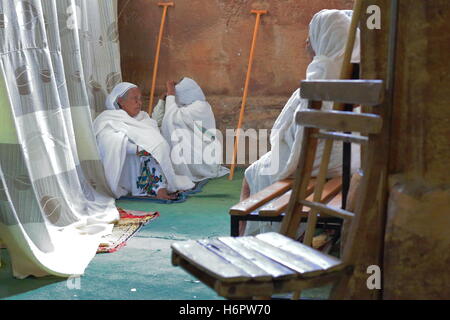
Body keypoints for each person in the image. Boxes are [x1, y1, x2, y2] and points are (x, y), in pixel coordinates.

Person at [240, 9, 361, 236]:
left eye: (312, 35)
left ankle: (249, 239)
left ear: (324, 39)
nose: (306, 42)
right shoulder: (359, 76)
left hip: (320, 165)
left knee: (252, 172)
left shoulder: (318, 79)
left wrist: (282, 156)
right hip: (352, 163)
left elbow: (295, 138)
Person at [93, 82, 195, 200]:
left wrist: (150, 148)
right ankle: (156, 190)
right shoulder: (109, 118)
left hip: (145, 159)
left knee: (154, 152)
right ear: (120, 101)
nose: (139, 103)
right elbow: (108, 141)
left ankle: (159, 188)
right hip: (124, 166)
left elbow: (154, 137)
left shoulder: (143, 117)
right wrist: (139, 149)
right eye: (134, 99)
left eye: (140, 99)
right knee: (147, 153)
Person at [153, 78, 229, 182]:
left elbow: (172, 117)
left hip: (202, 157)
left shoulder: (200, 106)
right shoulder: (182, 107)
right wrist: (162, 100)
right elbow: (157, 121)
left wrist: (171, 94)